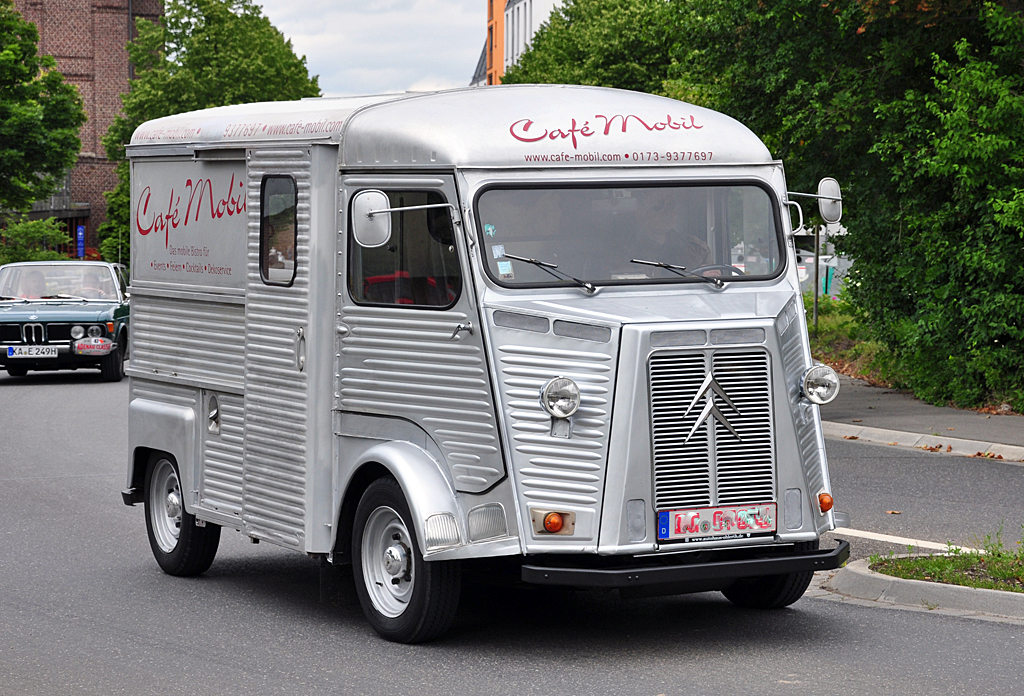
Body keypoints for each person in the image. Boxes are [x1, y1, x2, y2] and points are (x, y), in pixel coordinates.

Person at [631, 189, 711, 275]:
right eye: (658, 205)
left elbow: (711, 280)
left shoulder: (697, 249)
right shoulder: (623, 249)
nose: (667, 212)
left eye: (671, 205)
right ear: (639, 211)